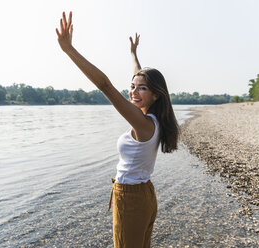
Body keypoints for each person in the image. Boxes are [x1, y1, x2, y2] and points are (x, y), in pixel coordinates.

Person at [56, 11, 179, 248]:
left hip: (131, 197)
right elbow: (138, 77)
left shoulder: (143, 124)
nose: (133, 91)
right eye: (132, 86)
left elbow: (104, 85)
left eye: (141, 89)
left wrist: (69, 50)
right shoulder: (154, 119)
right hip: (144, 193)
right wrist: (133, 54)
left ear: (154, 95)